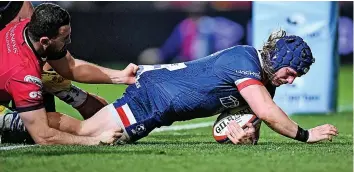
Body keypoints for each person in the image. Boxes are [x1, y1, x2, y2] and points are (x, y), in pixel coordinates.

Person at [4, 29, 339, 145]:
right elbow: (266, 112)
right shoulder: (247, 62)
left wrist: (239, 132)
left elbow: (232, 124)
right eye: (291, 71)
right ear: (276, 59)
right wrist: (307, 135)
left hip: (159, 96)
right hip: (155, 97)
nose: (293, 79)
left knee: (98, 123)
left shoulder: (262, 79)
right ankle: (19, 123)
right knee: (88, 135)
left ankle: (67, 92)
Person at [0, 2, 139, 145]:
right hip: (17, 78)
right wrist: (95, 140)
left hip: (15, 71)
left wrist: (120, 76)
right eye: (64, 39)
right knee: (40, 124)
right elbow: (43, 137)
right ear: (45, 41)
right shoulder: (25, 76)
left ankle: (64, 92)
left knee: (51, 82)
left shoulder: (30, 27)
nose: (70, 41)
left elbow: (71, 67)